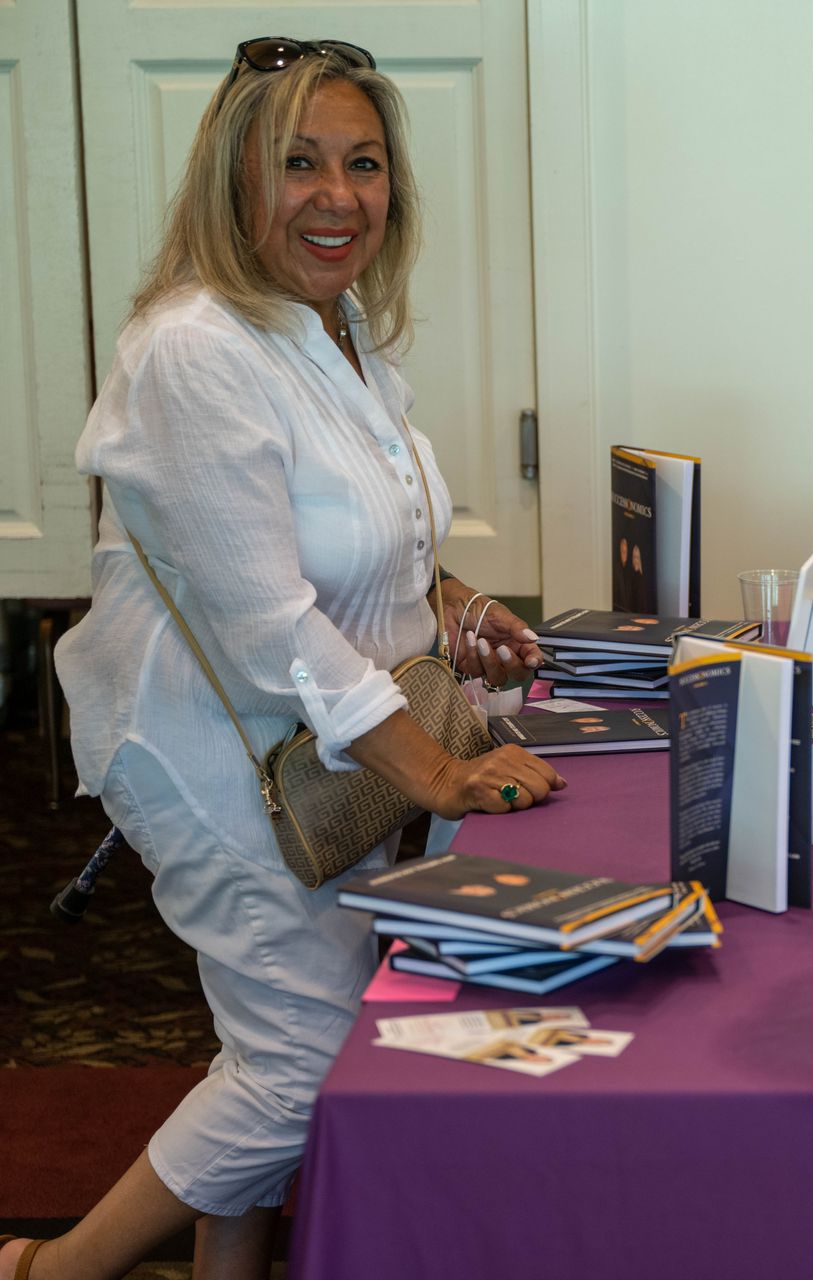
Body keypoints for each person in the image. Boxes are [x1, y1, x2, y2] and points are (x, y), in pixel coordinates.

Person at [4, 39, 563, 1280]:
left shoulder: (337, 323)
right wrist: (437, 772)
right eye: (297, 162)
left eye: (362, 164)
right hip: (217, 753)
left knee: (272, 1040)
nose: (337, 194)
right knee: (309, 1063)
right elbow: (267, 619)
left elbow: (362, 530)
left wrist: (449, 598)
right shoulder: (196, 347)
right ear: (231, 180)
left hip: (323, 740)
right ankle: (51, 1270)